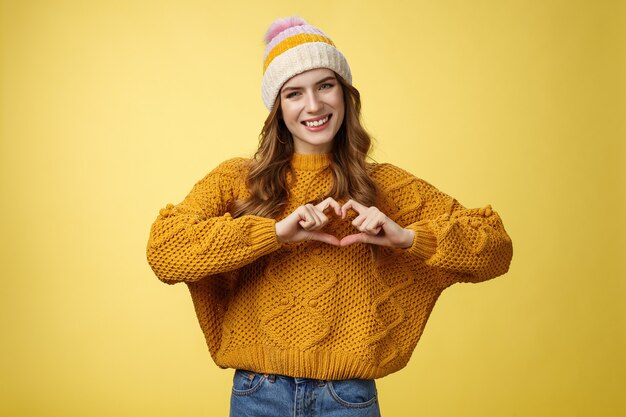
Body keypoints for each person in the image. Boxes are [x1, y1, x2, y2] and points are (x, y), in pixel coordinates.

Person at [146, 16, 513, 417]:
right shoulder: (237, 179)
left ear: (345, 94)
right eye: (294, 93)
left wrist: (406, 237)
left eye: (325, 85)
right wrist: (276, 232)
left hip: (348, 399)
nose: (314, 105)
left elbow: (495, 247)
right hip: (258, 393)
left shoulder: (386, 186)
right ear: (277, 108)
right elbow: (165, 250)